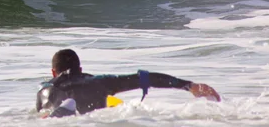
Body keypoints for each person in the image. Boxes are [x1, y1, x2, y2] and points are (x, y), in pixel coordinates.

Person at [36, 49, 221, 118]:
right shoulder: (100, 82)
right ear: (81, 69)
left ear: (54, 72)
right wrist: (189, 85)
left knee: (45, 114)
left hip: (56, 101)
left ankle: (63, 111)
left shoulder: (45, 89)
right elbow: (144, 79)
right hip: (94, 119)